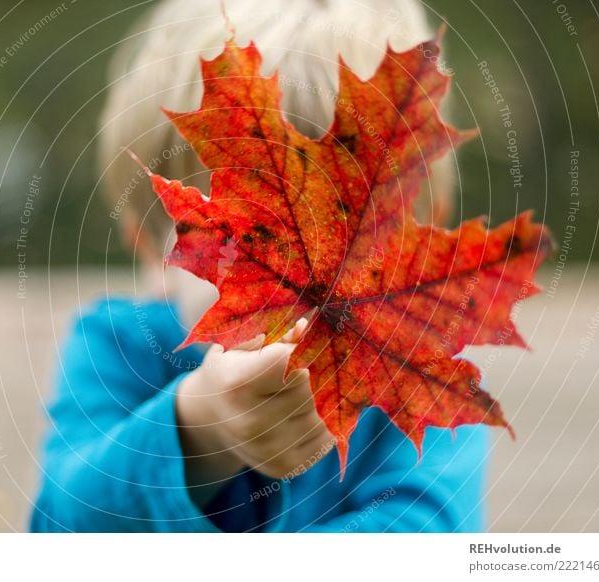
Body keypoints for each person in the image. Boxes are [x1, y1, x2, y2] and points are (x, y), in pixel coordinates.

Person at [30, 0, 489, 533]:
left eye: (339, 234)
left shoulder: (422, 372)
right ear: (153, 249)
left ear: (419, 243)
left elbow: (424, 537)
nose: (305, 289)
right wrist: (198, 428)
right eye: (239, 240)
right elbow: (60, 525)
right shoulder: (115, 348)